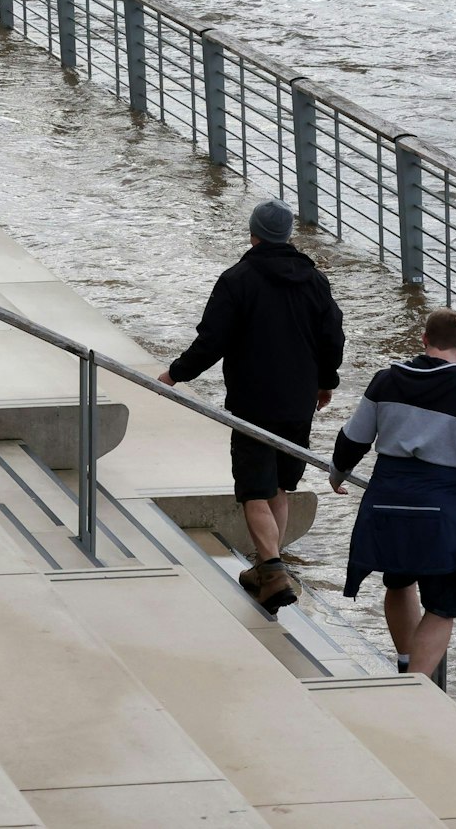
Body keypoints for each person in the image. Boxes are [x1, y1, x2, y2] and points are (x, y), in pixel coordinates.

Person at [162, 199, 345, 611]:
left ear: (253, 232)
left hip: (253, 402)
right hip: (299, 402)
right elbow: (333, 337)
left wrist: (175, 374)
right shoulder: (314, 281)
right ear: (288, 235)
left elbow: (212, 340)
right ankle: (267, 570)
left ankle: (273, 569)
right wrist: (325, 382)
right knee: (278, 486)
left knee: (253, 491)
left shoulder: (237, 279)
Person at [330, 308, 456, 688]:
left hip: (388, 499)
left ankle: (405, 663)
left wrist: (338, 471)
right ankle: (417, 687)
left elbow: (354, 437)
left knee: (398, 582)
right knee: (443, 606)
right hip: (443, 506)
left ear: (424, 340)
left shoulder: (384, 383)